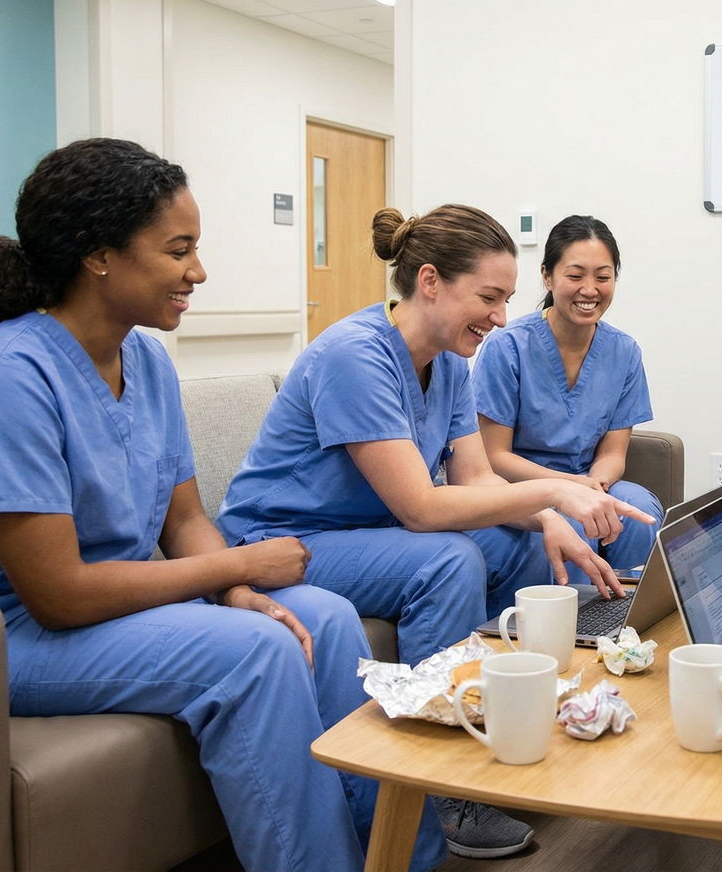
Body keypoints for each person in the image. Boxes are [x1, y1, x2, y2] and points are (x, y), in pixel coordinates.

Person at [0, 139, 434, 872]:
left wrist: (236, 585)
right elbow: (57, 595)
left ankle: (400, 855)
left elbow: (182, 522)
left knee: (327, 617)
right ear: (98, 253)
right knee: (255, 653)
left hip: (108, 607)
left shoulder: (144, 358)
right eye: (178, 250)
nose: (197, 272)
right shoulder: (4, 377)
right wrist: (242, 565)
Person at [216, 203, 653, 859]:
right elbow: (421, 507)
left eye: (506, 300)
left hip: (367, 536)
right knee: (447, 561)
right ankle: (444, 796)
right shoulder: (355, 356)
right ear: (429, 282)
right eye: (488, 297)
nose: (502, 317)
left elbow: (475, 480)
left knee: (529, 540)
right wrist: (554, 489)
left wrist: (544, 517)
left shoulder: (447, 362)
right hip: (284, 543)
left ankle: (527, 720)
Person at [472, 214, 662, 584]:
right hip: (519, 487)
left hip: (590, 479)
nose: (590, 289)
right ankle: (575, 629)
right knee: (577, 518)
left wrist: (596, 485)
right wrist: (569, 489)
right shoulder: (508, 346)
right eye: (575, 276)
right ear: (547, 276)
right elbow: (494, 457)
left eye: (603, 277)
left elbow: (613, 453)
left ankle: (628, 624)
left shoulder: (623, 351)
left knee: (640, 511)